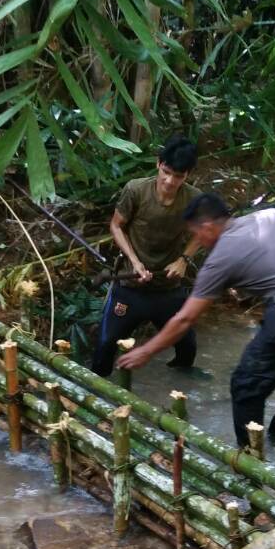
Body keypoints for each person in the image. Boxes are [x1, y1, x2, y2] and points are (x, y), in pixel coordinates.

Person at [116, 193, 275, 450]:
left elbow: (185, 318)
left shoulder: (220, 258)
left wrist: (146, 351)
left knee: (246, 387)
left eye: (196, 234)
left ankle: (249, 459)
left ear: (207, 227)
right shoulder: (273, 216)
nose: (198, 241)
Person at [91, 135, 205, 376]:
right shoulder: (136, 190)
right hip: (130, 285)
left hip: (168, 288)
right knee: (104, 346)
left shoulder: (193, 199)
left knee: (187, 348)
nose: (170, 181)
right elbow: (116, 226)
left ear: (188, 175)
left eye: (178, 176)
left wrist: (183, 260)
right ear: (158, 164)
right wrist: (134, 261)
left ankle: (177, 388)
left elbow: (202, 233)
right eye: (166, 172)